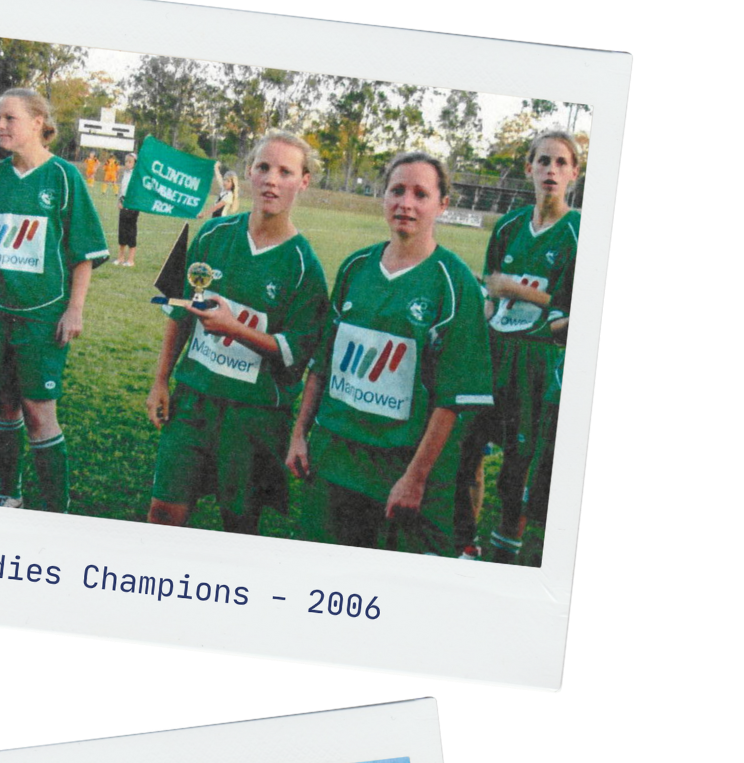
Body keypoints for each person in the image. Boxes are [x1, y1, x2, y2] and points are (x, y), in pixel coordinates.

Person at [289, 151, 494, 553]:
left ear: (442, 205)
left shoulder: (454, 284)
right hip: (334, 459)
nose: (406, 203)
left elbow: (452, 399)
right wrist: (299, 435)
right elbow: (323, 364)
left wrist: (415, 478)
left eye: (421, 194)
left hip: (397, 471)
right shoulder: (355, 267)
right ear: (384, 197)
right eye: (397, 191)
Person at [146, 130, 331, 534]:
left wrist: (236, 329)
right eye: (263, 167)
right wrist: (161, 380)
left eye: (286, 171)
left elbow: (295, 355)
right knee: (162, 515)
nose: (271, 180)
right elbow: (180, 311)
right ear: (248, 171)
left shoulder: (304, 268)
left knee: (240, 524)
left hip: (254, 418)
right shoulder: (214, 235)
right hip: (193, 401)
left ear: (303, 181)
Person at [0, 90, 106, 511]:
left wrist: (75, 308)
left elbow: (83, 252)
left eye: (10, 118)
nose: (1, 127)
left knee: (37, 410)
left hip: (41, 317)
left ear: (37, 122)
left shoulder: (64, 177)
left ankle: (54, 510)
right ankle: (9, 492)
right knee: (3, 402)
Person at [457, 128, 584, 562]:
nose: (551, 170)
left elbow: (583, 306)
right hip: (495, 352)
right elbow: (492, 293)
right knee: (467, 445)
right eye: (543, 161)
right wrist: (492, 308)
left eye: (561, 163)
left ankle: (505, 553)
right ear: (529, 168)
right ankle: (465, 543)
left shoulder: (580, 232)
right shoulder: (509, 226)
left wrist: (517, 289)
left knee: (519, 463)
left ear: (574, 174)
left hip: (537, 361)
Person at [112, 153, 138, 267]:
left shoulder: (136, 176)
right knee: (122, 232)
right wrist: (119, 201)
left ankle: (131, 259)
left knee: (131, 232)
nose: (127, 164)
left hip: (132, 206)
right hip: (123, 205)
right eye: (126, 161)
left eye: (130, 162)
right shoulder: (125, 174)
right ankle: (120, 257)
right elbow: (122, 189)